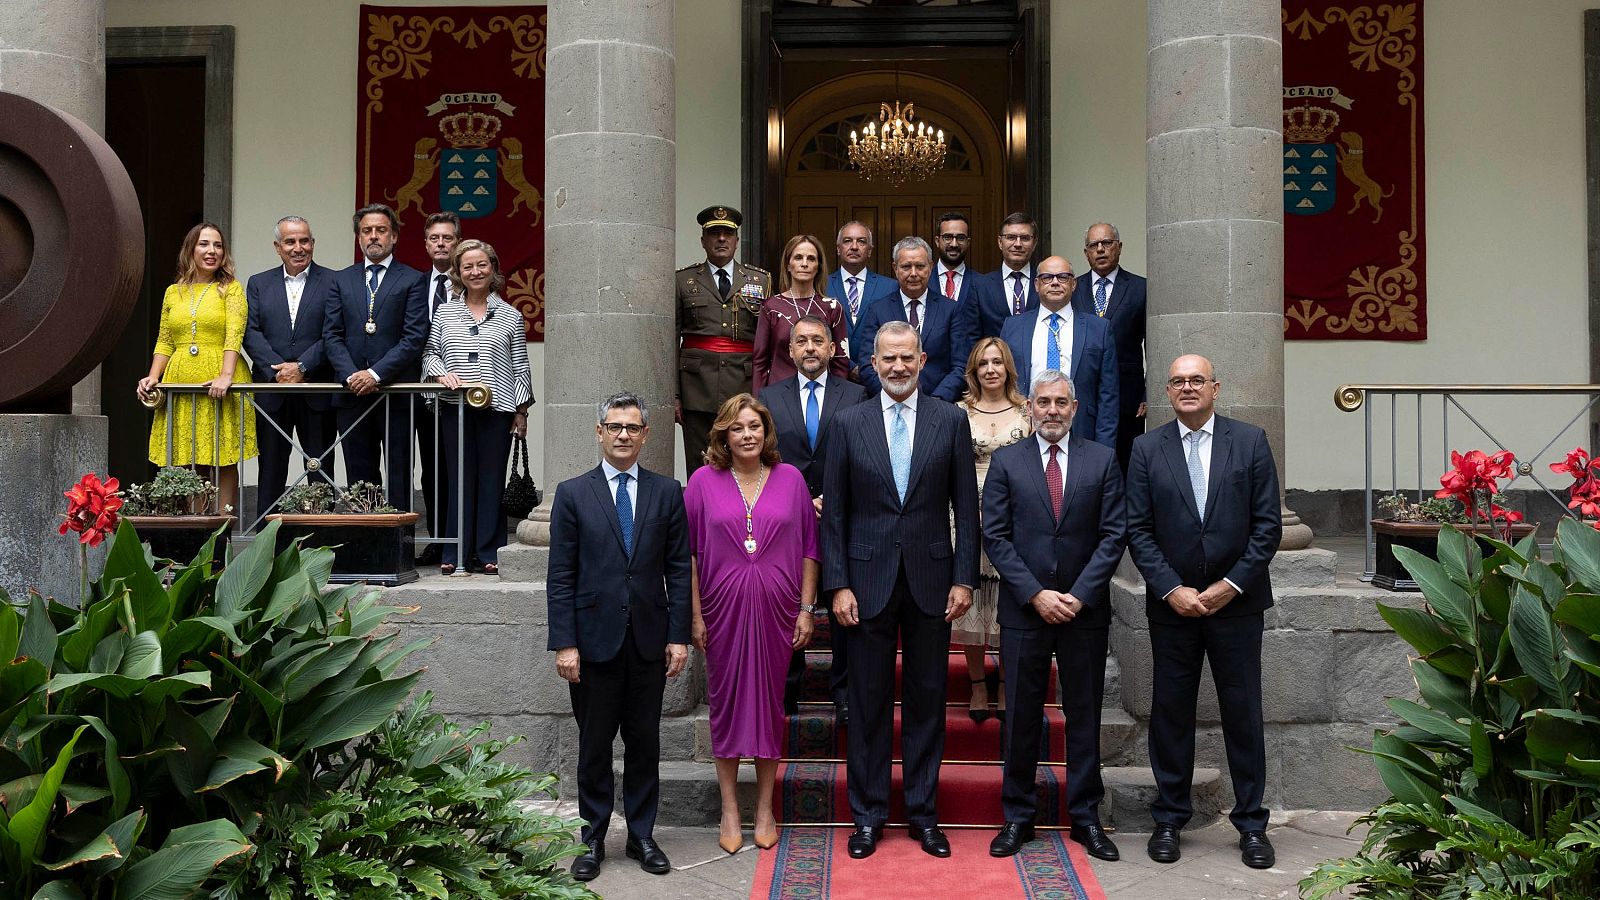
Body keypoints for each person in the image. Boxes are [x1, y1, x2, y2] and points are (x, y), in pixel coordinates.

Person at [822, 321, 979, 860]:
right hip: (864, 584)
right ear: (872, 361)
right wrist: (836, 584)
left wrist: (965, 577)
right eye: (888, 358)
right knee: (866, 705)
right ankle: (867, 817)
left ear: (922, 357)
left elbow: (967, 507)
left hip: (934, 583)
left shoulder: (950, 420)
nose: (897, 367)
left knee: (927, 702)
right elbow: (835, 515)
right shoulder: (847, 423)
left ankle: (923, 814)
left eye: (906, 358)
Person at [1126, 354, 1282, 870]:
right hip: (1173, 608)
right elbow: (1139, 530)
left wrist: (1230, 585)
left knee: (1243, 715)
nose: (1188, 387)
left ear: (1215, 387)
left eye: (1197, 380)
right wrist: (1171, 588)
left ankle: (1252, 825)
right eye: (1178, 382)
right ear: (1167, 392)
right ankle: (1169, 819)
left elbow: (1267, 527)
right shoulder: (1147, 448)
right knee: (1171, 714)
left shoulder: (1251, 441)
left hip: (1237, 606)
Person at [981, 370, 1126, 863]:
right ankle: (1018, 816)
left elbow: (1113, 535)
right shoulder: (1007, 462)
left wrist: (1080, 594)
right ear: (1030, 407)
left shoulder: (1103, 460)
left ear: (1076, 406)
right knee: (1020, 716)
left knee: (1083, 716)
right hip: (1026, 610)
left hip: (1084, 613)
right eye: (1043, 402)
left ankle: (1085, 817)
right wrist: (1036, 593)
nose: (1052, 410)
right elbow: (995, 536)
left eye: (1061, 402)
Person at [546, 392, 692, 881]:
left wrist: (679, 636)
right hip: (591, 643)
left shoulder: (668, 492)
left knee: (644, 743)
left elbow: (677, 567)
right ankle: (591, 839)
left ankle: (641, 836)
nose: (623, 435)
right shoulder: (572, 493)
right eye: (615, 427)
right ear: (599, 432)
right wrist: (565, 643)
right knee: (594, 746)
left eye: (632, 427)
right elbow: (560, 574)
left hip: (649, 640)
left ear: (646, 434)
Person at [685, 393, 819, 855]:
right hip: (721, 612)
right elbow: (691, 556)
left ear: (767, 432)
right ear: (724, 432)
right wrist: (696, 615)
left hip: (778, 612)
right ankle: (728, 809)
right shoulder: (702, 482)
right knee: (725, 706)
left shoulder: (791, 479)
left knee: (767, 707)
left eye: (755, 426)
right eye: (738, 427)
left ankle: (764, 808)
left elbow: (809, 550)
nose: (747, 435)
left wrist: (806, 609)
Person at [758, 315, 868, 723]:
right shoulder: (769, 398)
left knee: (843, 612)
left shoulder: (857, 397)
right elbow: (763, 460)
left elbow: (864, 460)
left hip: (843, 522)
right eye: (800, 341)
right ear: (789, 350)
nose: (809, 348)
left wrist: (832, 498)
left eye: (818, 341)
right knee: (789, 608)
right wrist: (802, 497)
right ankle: (786, 694)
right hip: (786, 524)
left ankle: (843, 694)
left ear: (832, 348)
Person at [422, 239, 533, 576]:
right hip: (454, 408)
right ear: (458, 272)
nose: (475, 272)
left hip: (497, 409)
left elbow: (521, 367)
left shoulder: (511, 316)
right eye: (467, 266)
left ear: (493, 269)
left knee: (490, 481)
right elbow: (429, 354)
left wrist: (521, 411)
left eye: (481, 265)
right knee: (457, 479)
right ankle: (454, 551)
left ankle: (488, 551)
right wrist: (443, 374)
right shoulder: (444, 312)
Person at [137, 222, 257, 508]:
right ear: (190, 249)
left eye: (217, 245)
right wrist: (153, 377)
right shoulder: (173, 292)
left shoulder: (231, 289)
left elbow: (234, 335)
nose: (211, 251)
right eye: (204, 244)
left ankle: (224, 528)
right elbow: (165, 340)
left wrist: (226, 375)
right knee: (190, 459)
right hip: (180, 377)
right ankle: (198, 529)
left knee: (222, 457)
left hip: (219, 377)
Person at [324, 203, 429, 508]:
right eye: (366, 231)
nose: (373, 236)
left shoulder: (412, 279)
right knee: (359, 473)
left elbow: (413, 338)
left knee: (399, 471)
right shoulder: (341, 280)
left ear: (394, 236)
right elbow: (332, 334)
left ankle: (399, 543)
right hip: (351, 394)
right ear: (359, 238)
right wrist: (351, 375)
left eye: (380, 230)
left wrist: (374, 375)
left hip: (396, 393)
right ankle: (364, 542)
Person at [953, 337, 1031, 724]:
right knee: (973, 599)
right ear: (974, 370)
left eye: (997, 362)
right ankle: (979, 683)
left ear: (1008, 368)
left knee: (1003, 601)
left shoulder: (1027, 412)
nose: (990, 369)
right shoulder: (958, 412)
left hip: (1013, 515)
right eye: (983, 363)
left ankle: (1004, 684)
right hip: (967, 513)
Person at [242, 215, 334, 519]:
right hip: (272, 391)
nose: (298, 247)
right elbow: (251, 332)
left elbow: (333, 333)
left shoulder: (333, 281)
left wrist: (303, 367)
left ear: (313, 243)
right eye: (290, 241)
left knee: (320, 467)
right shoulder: (258, 283)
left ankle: (324, 539)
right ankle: (267, 543)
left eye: (304, 240)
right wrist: (276, 371)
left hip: (316, 389)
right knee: (271, 468)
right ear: (277, 247)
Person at [676, 205, 770, 475]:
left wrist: (762, 391)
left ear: (737, 241)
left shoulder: (760, 280)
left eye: (727, 234)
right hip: (697, 387)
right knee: (699, 464)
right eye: (714, 233)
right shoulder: (683, 280)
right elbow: (672, 340)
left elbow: (765, 342)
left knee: (743, 459)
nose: (721, 239)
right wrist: (675, 395)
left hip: (743, 384)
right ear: (703, 241)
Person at [1001, 256, 1120, 448]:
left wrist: (1104, 450)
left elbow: (1108, 396)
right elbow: (1004, 384)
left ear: (1073, 284)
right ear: (1037, 285)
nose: (1055, 282)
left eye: (1063, 277)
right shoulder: (1013, 327)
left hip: (1082, 431)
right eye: (1047, 277)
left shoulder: (1099, 328)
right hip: (1024, 430)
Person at [851, 237, 975, 402]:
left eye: (920, 266)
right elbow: (867, 365)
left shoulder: (951, 309)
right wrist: (893, 398)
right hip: (889, 404)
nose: (914, 273)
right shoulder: (878, 310)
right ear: (895, 268)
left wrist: (937, 401)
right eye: (906, 266)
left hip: (939, 405)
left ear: (931, 267)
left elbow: (961, 365)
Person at [1071, 222, 1148, 470]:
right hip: (1081, 396)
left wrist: (1148, 394)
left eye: (1107, 243)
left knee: (1124, 467)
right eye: (1094, 245)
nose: (1101, 250)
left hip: (1128, 399)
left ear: (1119, 247)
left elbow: (1154, 345)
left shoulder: (1141, 288)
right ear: (1086, 253)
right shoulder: (1072, 288)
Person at [416, 210, 462, 563]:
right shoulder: (413, 285)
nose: (441, 243)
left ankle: (462, 540)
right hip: (421, 392)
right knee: (432, 470)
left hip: (464, 392)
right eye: (435, 238)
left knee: (460, 467)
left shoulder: (473, 282)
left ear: (457, 242)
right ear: (426, 243)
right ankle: (437, 539)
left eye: (448, 238)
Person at [751, 234, 850, 392]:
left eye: (811, 259)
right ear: (788, 265)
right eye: (798, 257)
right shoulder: (771, 307)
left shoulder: (832, 307)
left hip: (822, 393)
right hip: (779, 393)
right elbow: (760, 361)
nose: (804, 264)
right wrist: (759, 403)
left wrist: (837, 399)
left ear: (818, 266)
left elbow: (840, 361)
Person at [972, 213, 1041, 338]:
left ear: (1034, 243)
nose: (1018, 244)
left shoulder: (1046, 282)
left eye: (1025, 238)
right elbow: (972, 335)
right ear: (1000, 242)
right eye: (1011, 237)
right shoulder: (980, 286)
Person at [826, 221, 897, 339]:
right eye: (847, 241)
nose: (854, 247)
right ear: (838, 249)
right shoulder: (822, 285)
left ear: (869, 251)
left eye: (861, 241)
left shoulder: (890, 287)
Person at [933, 211, 982, 332]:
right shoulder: (922, 280)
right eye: (948, 237)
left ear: (968, 242)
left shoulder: (982, 283)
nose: (954, 244)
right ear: (937, 241)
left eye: (960, 238)